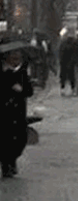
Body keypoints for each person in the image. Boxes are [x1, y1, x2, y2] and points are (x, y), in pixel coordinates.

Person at [0, 49, 35, 177]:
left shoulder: (22, 72)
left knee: (20, 139)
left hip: (19, 111)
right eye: (14, 56)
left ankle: (12, 159)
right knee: (4, 138)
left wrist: (21, 90)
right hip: (4, 111)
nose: (16, 59)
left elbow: (29, 91)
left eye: (18, 56)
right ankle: (6, 164)